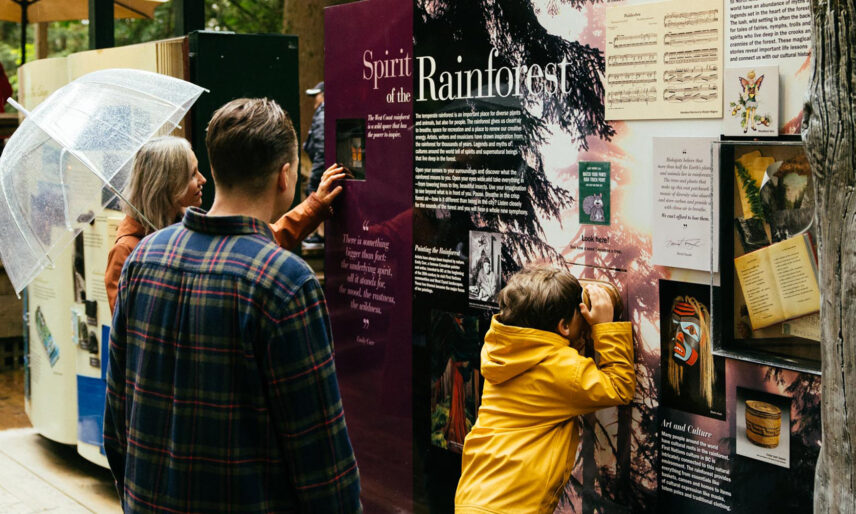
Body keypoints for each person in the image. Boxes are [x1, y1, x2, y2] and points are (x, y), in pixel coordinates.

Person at [103, 99, 361, 512]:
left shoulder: (143, 259)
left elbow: (116, 419)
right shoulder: (287, 284)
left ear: (216, 168)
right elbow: (320, 458)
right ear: (285, 175)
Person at [454, 266, 635, 513]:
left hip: (474, 496)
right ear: (563, 327)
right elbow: (619, 386)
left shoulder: (502, 351)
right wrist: (605, 327)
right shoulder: (558, 368)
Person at [104, 135, 345, 313]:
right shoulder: (127, 252)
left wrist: (315, 207)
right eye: (191, 174)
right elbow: (127, 338)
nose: (203, 179)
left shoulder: (193, 224)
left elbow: (261, 241)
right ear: (167, 184)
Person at [302, 81, 326, 250]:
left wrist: (315, 175)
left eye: (315, 95)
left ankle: (321, 235)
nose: (314, 100)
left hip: (320, 166)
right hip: (320, 165)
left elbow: (321, 147)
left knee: (315, 194)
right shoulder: (322, 112)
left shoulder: (322, 113)